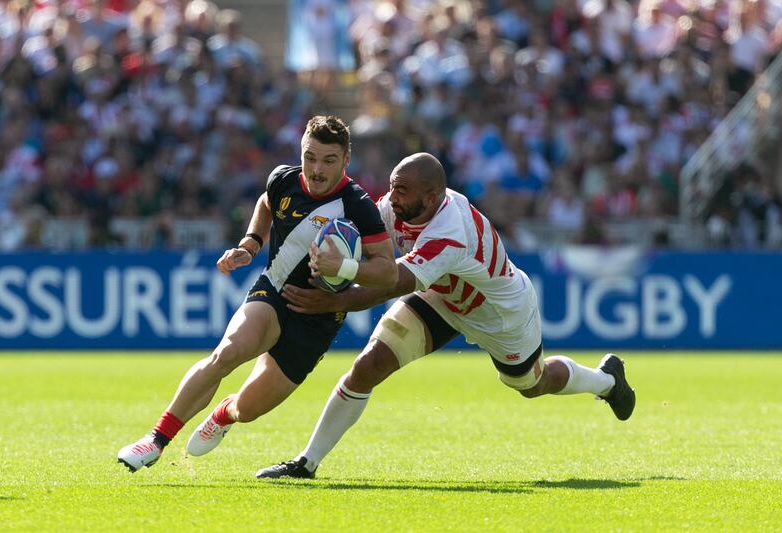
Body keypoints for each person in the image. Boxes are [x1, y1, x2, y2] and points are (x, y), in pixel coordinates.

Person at [251, 152, 636, 479]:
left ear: (432, 197)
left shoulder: (451, 228)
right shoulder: (394, 207)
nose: (392, 197)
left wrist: (337, 295)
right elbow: (374, 256)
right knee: (368, 365)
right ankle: (306, 463)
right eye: (392, 186)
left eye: (402, 191)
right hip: (440, 298)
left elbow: (393, 281)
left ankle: (605, 381)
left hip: (498, 313)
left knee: (531, 385)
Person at [117, 115, 397, 471]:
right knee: (226, 354)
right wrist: (249, 245)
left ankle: (223, 415)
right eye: (310, 157)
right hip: (274, 292)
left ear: (345, 160)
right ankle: (155, 440)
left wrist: (341, 269)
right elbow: (266, 204)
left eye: (328, 160)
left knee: (246, 409)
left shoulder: (358, 206)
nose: (317, 169)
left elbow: (387, 271)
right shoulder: (282, 179)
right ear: (301, 152)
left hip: (317, 321)